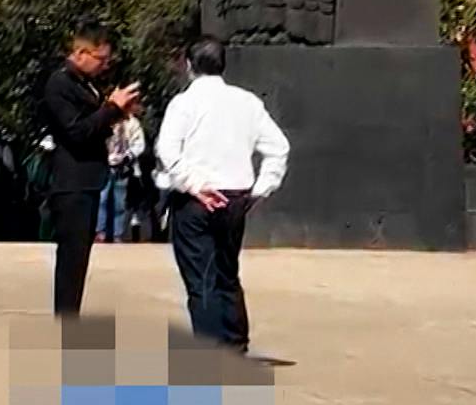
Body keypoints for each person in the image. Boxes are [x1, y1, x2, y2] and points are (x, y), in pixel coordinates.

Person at [155, 38, 290, 355]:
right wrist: (260, 188)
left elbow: (167, 150)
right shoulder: (247, 102)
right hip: (235, 196)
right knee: (227, 272)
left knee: (201, 278)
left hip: (196, 199)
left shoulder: (184, 104)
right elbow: (278, 147)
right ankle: (234, 341)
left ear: (189, 66)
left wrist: (193, 183)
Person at [36, 22, 142, 314]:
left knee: (80, 256)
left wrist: (118, 113)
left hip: (90, 180)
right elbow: (76, 132)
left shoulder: (85, 84)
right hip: (72, 183)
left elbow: (93, 126)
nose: (104, 66)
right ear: (81, 52)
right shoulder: (60, 84)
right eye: (100, 59)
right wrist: (110, 108)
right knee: (71, 257)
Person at [100, 113, 146, 242]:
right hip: (105, 165)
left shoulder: (133, 123)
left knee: (120, 202)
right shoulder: (105, 118)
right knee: (102, 199)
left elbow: (139, 144)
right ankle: (100, 232)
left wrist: (127, 156)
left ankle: (117, 234)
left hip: (124, 167)